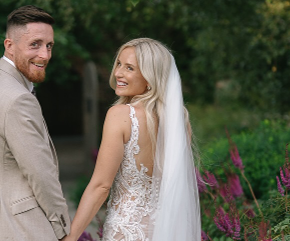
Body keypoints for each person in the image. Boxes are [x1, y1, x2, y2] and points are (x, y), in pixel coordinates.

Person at [62, 38, 201, 241]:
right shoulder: (180, 120)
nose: (118, 73)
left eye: (129, 68)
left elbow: (101, 185)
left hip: (127, 231)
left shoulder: (120, 115)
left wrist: (71, 236)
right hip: (169, 231)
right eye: (118, 64)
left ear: (149, 77)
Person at [0, 5, 70, 241]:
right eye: (35, 44)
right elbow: (40, 174)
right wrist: (63, 230)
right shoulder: (19, 99)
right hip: (17, 228)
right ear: (9, 45)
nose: (45, 55)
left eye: (49, 46)